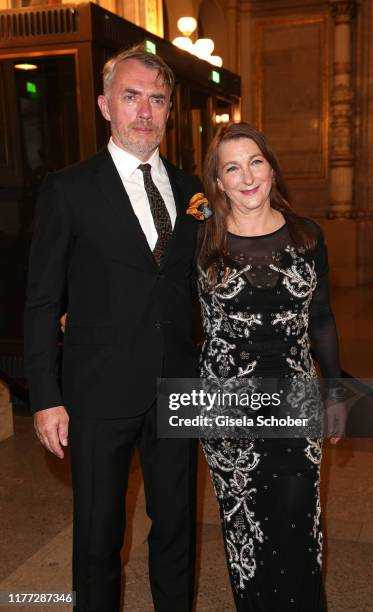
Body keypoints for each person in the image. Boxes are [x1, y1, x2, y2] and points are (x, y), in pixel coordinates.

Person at [24, 45, 201, 612]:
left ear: (170, 110)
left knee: (176, 529)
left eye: (157, 100)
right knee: (99, 537)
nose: (144, 112)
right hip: (97, 389)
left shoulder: (193, 189)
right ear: (105, 105)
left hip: (179, 386)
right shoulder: (69, 188)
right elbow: (42, 299)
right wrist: (45, 397)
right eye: (131, 97)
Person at [197, 122, 346, 611]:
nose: (247, 176)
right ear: (218, 181)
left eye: (255, 161)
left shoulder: (307, 236)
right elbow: (153, 302)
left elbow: (321, 319)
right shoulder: (201, 244)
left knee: (299, 523)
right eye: (231, 167)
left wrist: (336, 393)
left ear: (271, 168)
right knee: (249, 536)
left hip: (296, 399)